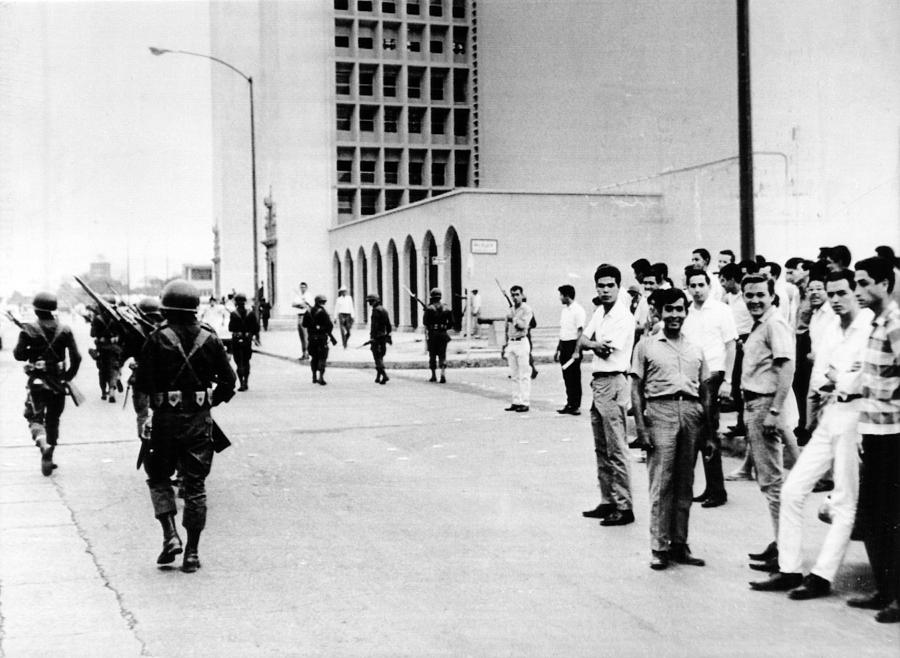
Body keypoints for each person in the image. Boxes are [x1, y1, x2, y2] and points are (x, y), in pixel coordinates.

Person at [750, 270, 871, 598]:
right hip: (832, 411)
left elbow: (861, 379)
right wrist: (841, 377)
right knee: (792, 490)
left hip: (858, 415)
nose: (836, 299)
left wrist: (842, 377)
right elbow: (821, 376)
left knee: (845, 499)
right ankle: (788, 569)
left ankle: (822, 576)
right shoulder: (830, 325)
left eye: (842, 292)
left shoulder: (868, 325)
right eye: (831, 293)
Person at [134, 279, 236, 573]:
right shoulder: (210, 338)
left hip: (165, 422)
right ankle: (192, 553)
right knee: (195, 487)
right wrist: (207, 402)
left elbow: (142, 385)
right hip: (198, 422)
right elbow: (229, 382)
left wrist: (144, 418)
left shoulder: (156, 338)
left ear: (166, 307)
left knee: (158, 477)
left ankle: (170, 536)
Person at [631, 287, 710, 570]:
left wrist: (708, 431)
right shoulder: (646, 346)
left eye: (680, 309)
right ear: (660, 313)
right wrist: (641, 428)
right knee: (661, 484)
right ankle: (659, 547)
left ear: (686, 313)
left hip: (690, 414)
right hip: (660, 413)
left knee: (684, 485)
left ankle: (679, 545)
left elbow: (704, 390)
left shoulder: (695, 348)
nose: (675, 315)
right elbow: (636, 389)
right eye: (670, 310)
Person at [851, 256, 900, 623]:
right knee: (871, 516)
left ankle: (897, 595)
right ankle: (884, 589)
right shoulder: (875, 323)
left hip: (893, 436)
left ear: (885, 283)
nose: (858, 290)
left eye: (865, 282)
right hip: (873, 431)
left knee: (891, 516)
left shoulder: (896, 323)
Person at [740, 274, 797, 574]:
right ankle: (781, 542)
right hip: (756, 403)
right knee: (770, 481)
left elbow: (786, 366)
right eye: (749, 295)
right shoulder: (762, 324)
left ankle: (786, 552)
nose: (754, 300)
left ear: (772, 294)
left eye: (760, 294)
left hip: (765, 405)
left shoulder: (775, 323)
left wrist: (775, 410)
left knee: (773, 483)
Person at [579, 264, 637, 526]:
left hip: (614, 380)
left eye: (609, 286)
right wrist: (592, 344)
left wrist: (592, 345)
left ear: (618, 286)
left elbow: (606, 351)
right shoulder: (600, 312)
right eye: (600, 286)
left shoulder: (623, 317)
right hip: (598, 382)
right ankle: (608, 500)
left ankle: (624, 506)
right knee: (601, 446)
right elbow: (583, 341)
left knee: (616, 447)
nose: (604, 290)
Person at [682, 267, 737, 508]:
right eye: (692, 286)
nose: (696, 290)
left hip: (714, 375)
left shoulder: (722, 310)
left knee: (710, 432)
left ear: (709, 285)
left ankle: (718, 491)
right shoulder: (686, 313)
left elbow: (731, 346)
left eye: (700, 285)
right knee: (700, 433)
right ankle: (710, 487)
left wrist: (729, 381)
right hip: (694, 378)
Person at [13, 292, 82, 476]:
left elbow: (18, 355)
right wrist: (67, 376)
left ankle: (44, 446)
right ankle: (50, 452)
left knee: (34, 417)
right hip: (58, 382)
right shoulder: (65, 330)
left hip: (37, 382)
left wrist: (30, 349)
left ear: (35, 309)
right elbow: (77, 358)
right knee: (53, 419)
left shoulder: (28, 329)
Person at [501, 285, 533, 412]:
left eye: (517, 294)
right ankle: (516, 401)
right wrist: (505, 344)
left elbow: (523, 326)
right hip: (512, 342)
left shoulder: (527, 309)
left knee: (524, 374)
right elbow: (506, 328)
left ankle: (525, 402)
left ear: (522, 295)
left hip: (522, 342)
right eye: (512, 295)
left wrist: (514, 318)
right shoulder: (510, 310)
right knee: (514, 374)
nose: (515, 297)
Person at [555, 284, 586, 415]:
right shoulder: (564, 311)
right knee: (567, 377)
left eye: (561, 295)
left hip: (573, 345)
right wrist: (557, 349)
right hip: (564, 345)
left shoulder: (578, 310)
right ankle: (570, 403)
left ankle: (576, 405)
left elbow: (580, 331)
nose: (560, 298)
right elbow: (563, 331)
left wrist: (577, 350)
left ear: (566, 295)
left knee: (574, 377)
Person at [91, 294, 123, 403]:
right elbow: (123, 333)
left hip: (101, 348)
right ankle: (112, 390)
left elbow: (92, 334)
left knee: (102, 370)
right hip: (114, 348)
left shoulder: (97, 319)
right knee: (114, 369)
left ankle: (104, 392)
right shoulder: (118, 318)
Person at [228, 292, 260, 391]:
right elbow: (256, 327)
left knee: (239, 362)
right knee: (246, 361)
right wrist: (252, 335)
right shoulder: (250, 313)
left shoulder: (234, 314)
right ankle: (246, 382)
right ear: (245, 302)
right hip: (247, 340)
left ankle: (241, 383)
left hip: (237, 340)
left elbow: (230, 328)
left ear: (236, 302)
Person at [304, 294, 338, 384]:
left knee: (314, 357)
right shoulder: (323, 312)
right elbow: (329, 325)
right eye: (323, 302)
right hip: (322, 338)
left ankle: (314, 376)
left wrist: (312, 326)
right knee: (322, 357)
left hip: (311, 338)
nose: (323, 304)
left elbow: (304, 324)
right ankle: (321, 377)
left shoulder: (308, 311)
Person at [423, 288, 453, 383]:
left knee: (432, 354)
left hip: (433, 334)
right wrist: (444, 327)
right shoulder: (447, 308)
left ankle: (433, 375)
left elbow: (425, 322)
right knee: (442, 354)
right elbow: (452, 322)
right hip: (443, 334)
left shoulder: (429, 308)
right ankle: (443, 373)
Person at [366, 293, 392, 384]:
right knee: (380, 356)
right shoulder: (384, 310)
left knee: (377, 358)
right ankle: (378, 377)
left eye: (371, 301)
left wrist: (372, 338)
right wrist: (388, 335)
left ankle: (384, 376)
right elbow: (388, 325)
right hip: (383, 337)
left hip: (376, 337)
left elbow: (374, 326)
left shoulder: (375, 311)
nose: (369, 303)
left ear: (375, 301)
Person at [292, 282, 313, 360]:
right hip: (299, 316)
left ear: (306, 288)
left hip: (306, 316)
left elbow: (310, 306)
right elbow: (293, 304)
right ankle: (303, 353)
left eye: (304, 287)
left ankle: (307, 353)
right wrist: (301, 304)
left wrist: (304, 304)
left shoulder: (309, 295)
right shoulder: (298, 295)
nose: (302, 288)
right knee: (301, 336)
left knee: (305, 336)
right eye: (301, 287)